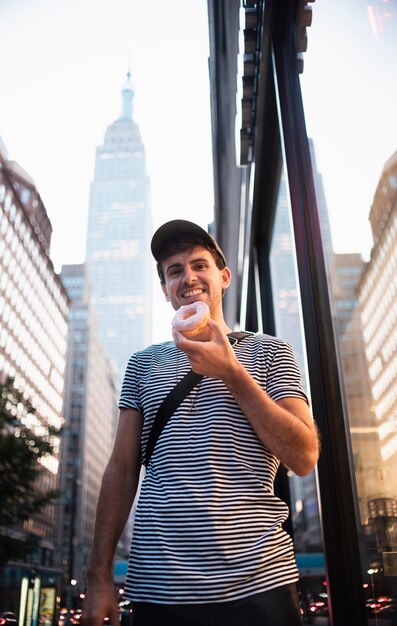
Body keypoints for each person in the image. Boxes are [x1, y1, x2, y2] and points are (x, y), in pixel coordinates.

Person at [82, 219, 319, 626]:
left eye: (199, 265)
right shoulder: (143, 364)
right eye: (174, 270)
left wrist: (232, 372)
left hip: (260, 582)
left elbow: (304, 455)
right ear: (165, 290)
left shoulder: (270, 352)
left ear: (223, 277)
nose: (188, 277)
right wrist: (99, 574)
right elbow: (121, 471)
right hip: (159, 588)